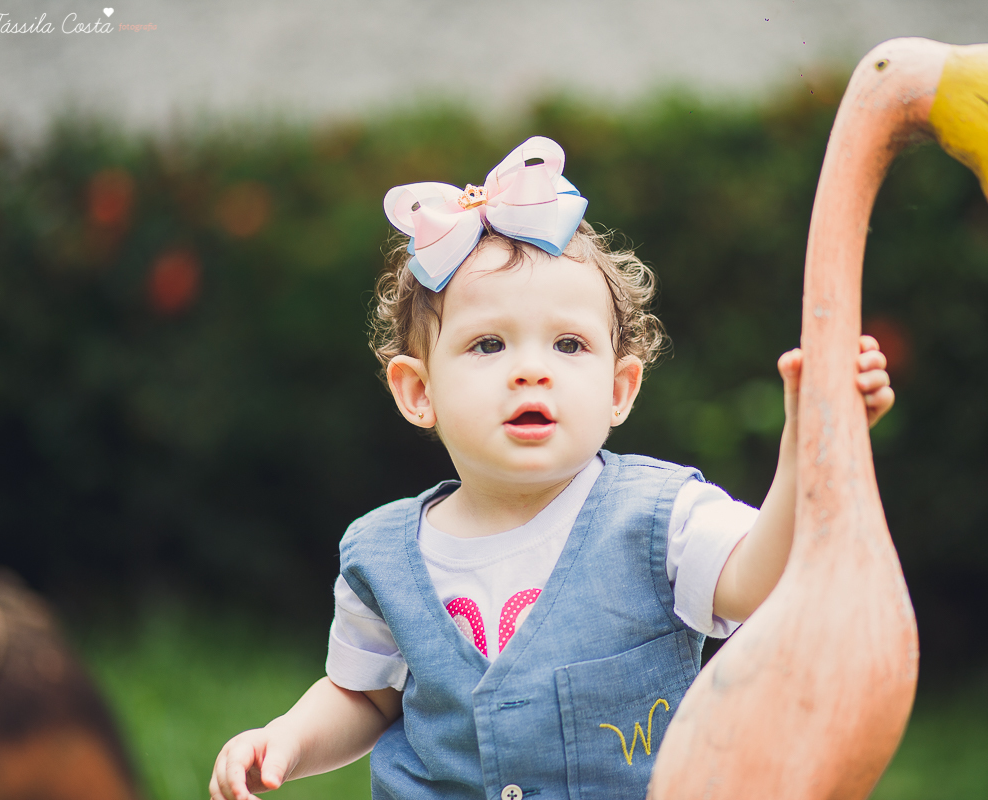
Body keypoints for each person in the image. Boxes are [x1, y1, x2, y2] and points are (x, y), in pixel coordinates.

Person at [209, 137, 894, 800]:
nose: (532, 369)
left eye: (568, 344)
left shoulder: (661, 519)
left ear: (620, 388)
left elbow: (756, 581)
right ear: (420, 392)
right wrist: (287, 741)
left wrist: (813, 442)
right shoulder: (380, 554)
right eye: (488, 344)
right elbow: (364, 695)